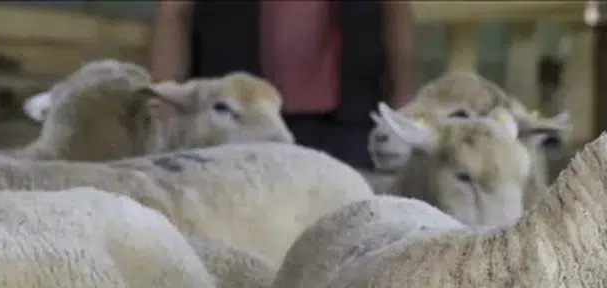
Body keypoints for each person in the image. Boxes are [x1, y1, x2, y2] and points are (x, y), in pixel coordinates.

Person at [149, 0, 417, 170]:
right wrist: (164, 116)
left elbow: (397, 10)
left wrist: (403, 112)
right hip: (236, 123)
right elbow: (175, 13)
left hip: (348, 123)